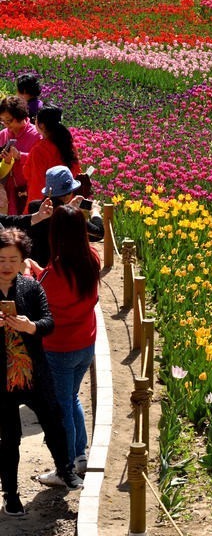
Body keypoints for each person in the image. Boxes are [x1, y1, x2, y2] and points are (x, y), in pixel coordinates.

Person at [0, 227, 81, 515]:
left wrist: (29, 326)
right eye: (1, 260)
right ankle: (11, 494)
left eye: (13, 259)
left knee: (54, 419)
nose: (7, 266)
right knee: (9, 438)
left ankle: (65, 469)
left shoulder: (30, 287)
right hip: (3, 379)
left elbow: (49, 322)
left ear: (22, 259)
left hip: (34, 372)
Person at [38, 206, 100, 481]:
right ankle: (80, 455)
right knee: (72, 397)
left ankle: (66, 468)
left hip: (59, 348)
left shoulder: (55, 273)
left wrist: (31, 274)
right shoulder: (92, 260)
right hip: (86, 344)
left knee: (61, 406)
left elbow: (42, 299)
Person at [24, 108, 80, 213]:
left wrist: (34, 212)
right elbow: (76, 171)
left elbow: (37, 183)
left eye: (35, 119)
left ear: (41, 125)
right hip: (67, 204)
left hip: (46, 208)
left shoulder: (39, 150)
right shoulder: (69, 145)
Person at [0, 98, 40, 216]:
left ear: (20, 116)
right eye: (2, 121)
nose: (6, 125)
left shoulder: (36, 135)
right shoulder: (3, 135)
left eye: (9, 121)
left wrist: (19, 156)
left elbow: (40, 162)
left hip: (27, 191)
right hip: (6, 192)